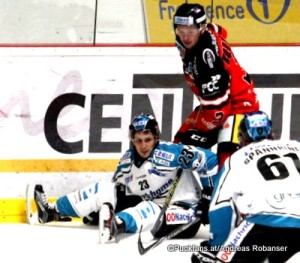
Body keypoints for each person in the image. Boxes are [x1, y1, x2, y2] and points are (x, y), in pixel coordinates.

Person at [32, 113, 218, 242]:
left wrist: (208, 196)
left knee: (146, 209)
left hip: (186, 212)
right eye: (139, 140)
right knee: (105, 188)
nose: (143, 146)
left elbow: (210, 160)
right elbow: (118, 191)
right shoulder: (126, 163)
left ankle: (116, 225)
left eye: (148, 140)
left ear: (156, 138)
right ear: (132, 140)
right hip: (156, 206)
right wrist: (95, 210)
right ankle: (52, 211)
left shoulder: (172, 153)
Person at [191, 111, 300, 263]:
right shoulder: (296, 146)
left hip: (267, 219)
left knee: (204, 258)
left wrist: (215, 246)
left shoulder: (237, 158)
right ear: (272, 134)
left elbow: (222, 205)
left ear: (242, 138)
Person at [172, 3, 260, 169]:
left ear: (201, 28)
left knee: (227, 167)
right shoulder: (208, 31)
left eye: (191, 31)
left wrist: (201, 132)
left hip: (238, 107)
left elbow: (219, 111)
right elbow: (220, 30)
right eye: (181, 31)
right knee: (178, 146)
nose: (186, 37)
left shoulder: (205, 60)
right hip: (220, 102)